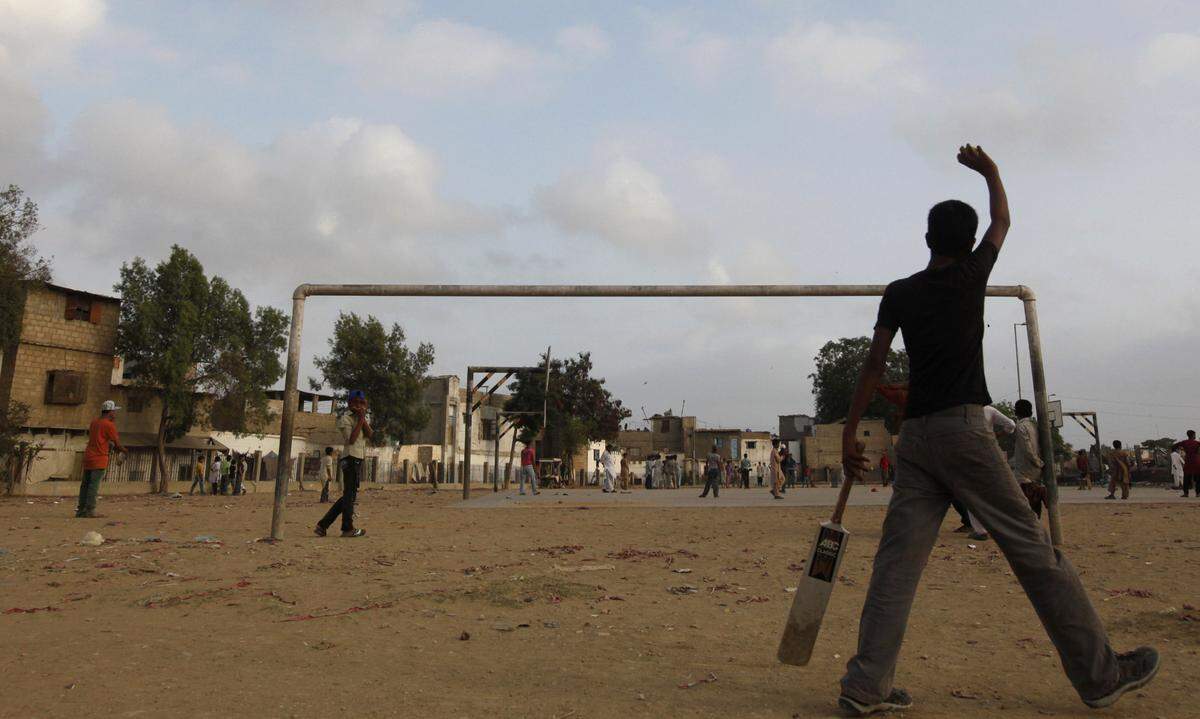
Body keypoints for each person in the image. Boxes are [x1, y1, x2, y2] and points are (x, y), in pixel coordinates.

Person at [837, 144, 1156, 715]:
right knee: (1036, 554)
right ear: (967, 241)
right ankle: (1100, 675)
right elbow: (1004, 219)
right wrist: (991, 171)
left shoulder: (901, 291)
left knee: (895, 566)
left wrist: (849, 432)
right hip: (963, 429)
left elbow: (872, 364)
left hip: (915, 440)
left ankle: (865, 686)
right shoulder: (971, 276)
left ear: (927, 238)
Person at [315, 390, 370, 538]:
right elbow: (351, 440)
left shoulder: (361, 418)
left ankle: (323, 525)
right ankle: (347, 528)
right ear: (350, 403)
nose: (359, 405)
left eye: (362, 403)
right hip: (350, 458)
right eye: (356, 402)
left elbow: (370, 434)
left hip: (357, 458)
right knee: (349, 495)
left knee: (349, 496)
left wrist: (363, 419)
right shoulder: (345, 419)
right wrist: (360, 420)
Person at [77, 400, 127, 518]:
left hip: (89, 456)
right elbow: (117, 444)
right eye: (114, 411)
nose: (115, 414)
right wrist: (125, 451)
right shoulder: (109, 425)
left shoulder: (94, 423)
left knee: (85, 485)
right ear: (110, 412)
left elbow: (100, 439)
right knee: (93, 485)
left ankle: (80, 510)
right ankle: (90, 510)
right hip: (99, 458)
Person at [1172, 431, 1200, 498]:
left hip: (1188, 461)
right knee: (1198, 478)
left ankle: (1186, 493)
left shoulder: (1184, 442)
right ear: (1193, 435)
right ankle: (1198, 493)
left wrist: (1174, 450)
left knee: (1186, 478)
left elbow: (1174, 446)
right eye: (1195, 435)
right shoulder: (1196, 443)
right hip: (1196, 461)